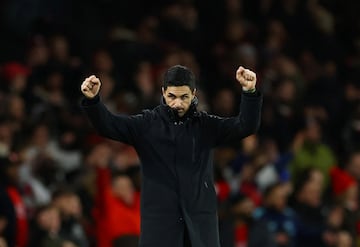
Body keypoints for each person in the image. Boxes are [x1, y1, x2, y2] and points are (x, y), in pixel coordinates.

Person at [80, 65, 262, 247]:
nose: (178, 104)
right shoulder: (146, 125)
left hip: (200, 223)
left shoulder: (206, 126)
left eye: (184, 97)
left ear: (194, 94)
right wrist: (93, 101)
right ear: (163, 93)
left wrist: (249, 91)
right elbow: (108, 125)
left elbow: (245, 126)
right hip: (160, 224)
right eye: (172, 97)